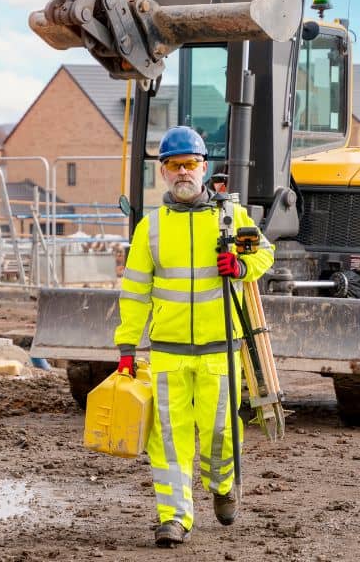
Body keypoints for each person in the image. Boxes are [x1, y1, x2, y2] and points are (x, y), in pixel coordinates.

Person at [113, 126, 274, 547]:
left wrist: (240, 266)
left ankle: (222, 487)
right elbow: (134, 291)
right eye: (174, 165)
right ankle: (174, 517)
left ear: (204, 168)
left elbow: (265, 254)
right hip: (167, 353)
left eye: (190, 164)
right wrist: (128, 346)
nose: (183, 172)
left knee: (221, 432)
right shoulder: (150, 228)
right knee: (168, 438)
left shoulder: (229, 217)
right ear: (163, 173)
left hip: (219, 348)